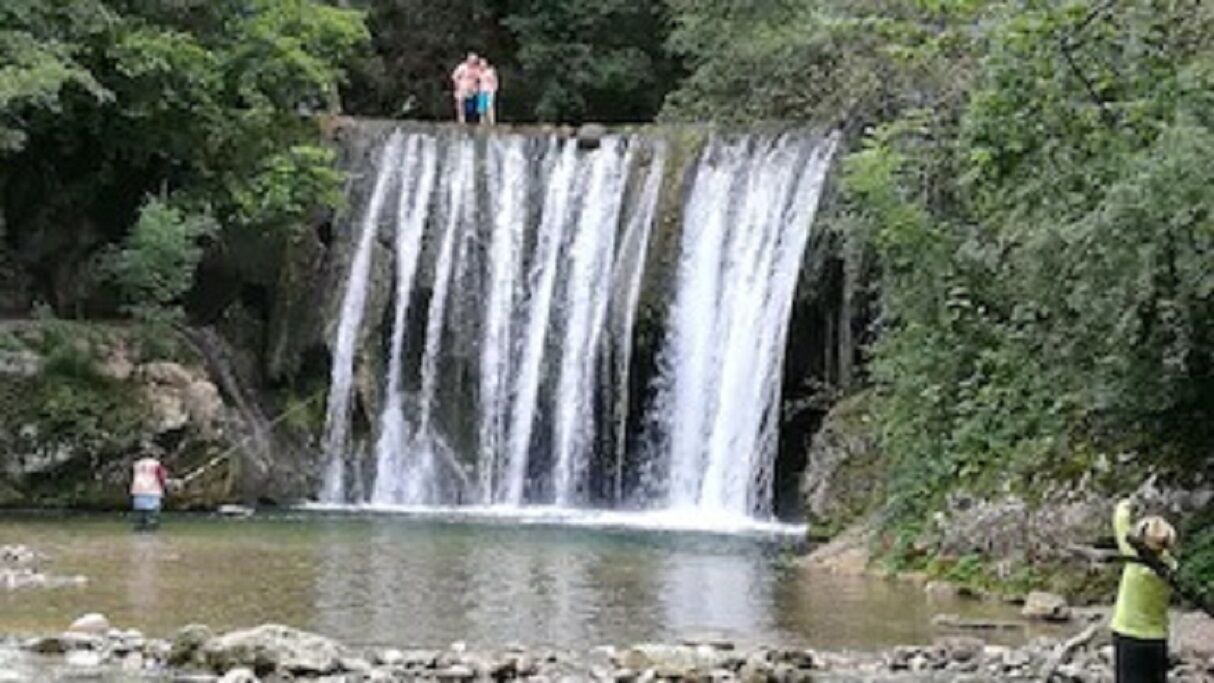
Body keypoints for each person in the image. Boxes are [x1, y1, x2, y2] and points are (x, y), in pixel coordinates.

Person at [1111, 497, 1177, 683]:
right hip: (1157, 638)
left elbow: (1120, 519)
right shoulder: (1170, 566)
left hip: (1129, 635)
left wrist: (1129, 502)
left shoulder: (1134, 560)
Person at [131, 456, 168, 531]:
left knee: (140, 517)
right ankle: (151, 536)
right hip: (152, 491)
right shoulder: (157, 464)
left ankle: (139, 535)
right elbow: (162, 477)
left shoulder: (137, 464)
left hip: (138, 491)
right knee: (152, 516)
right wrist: (164, 488)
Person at [452, 53, 481, 124]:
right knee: (460, 106)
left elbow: (479, 78)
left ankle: (471, 122)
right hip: (462, 89)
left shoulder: (477, 69)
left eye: (474, 61)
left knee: (472, 108)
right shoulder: (462, 67)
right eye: (472, 60)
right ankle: (461, 121)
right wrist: (457, 85)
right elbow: (455, 76)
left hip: (473, 90)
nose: (473, 62)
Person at [477, 58, 498, 126]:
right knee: (481, 109)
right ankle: (482, 123)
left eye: (483, 64)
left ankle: (492, 122)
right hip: (481, 91)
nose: (482, 65)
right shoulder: (479, 72)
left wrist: (494, 89)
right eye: (481, 64)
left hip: (489, 91)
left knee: (489, 107)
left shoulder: (490, 71)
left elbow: (494, 81)